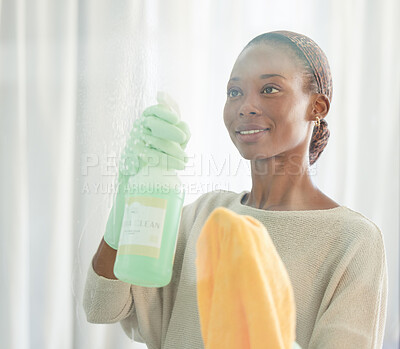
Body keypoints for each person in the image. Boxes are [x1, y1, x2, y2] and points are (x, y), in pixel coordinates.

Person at [83, 30, 388, 348]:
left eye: (269, 89)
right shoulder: (203, 215)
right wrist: (128, 204)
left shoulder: (353, 241)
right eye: (234, 92)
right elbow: (102, 306)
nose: (246, 106)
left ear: (317, 107)